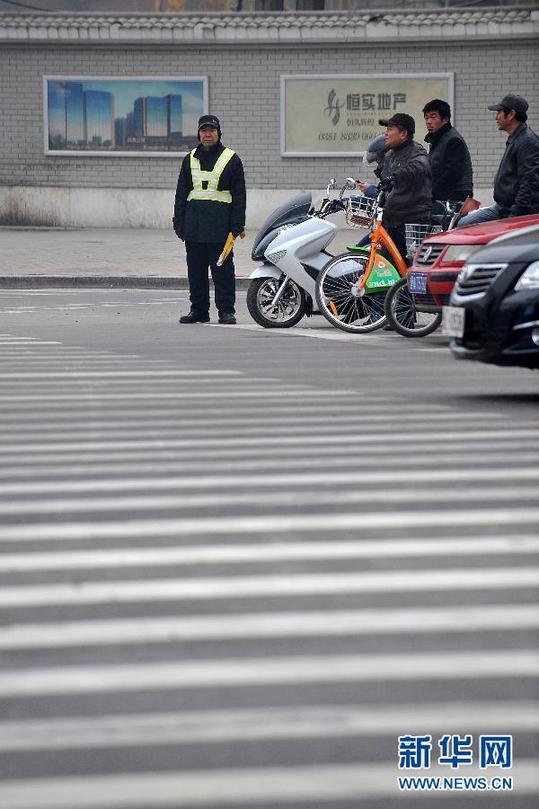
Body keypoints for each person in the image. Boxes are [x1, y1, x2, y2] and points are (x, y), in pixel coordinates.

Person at [173, 114, 246, 324]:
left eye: (212, 131)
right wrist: (179, 223)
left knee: (223, 273)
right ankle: (199, 311)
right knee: (196, 273)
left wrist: (237, 225)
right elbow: (181, 194)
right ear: (199, 134)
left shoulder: (232, 159)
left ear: (219, 133)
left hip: (220, 229)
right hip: (194, 227)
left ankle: (226, 311)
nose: (208, 135)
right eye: (204, 131)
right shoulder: (189, 159)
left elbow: (239, 196)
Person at [458, 94, 539, 228]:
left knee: (465, 225)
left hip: (512, 211)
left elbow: (529, 183)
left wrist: (514, 217)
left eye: (499, 112)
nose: (496, 117)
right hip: (501, 207)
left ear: (511, 114)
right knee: (462, 222)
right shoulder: (517, 138)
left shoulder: (527, 142)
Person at [377, 113, 432, 264]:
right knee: (385, 265)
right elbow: (387, 185)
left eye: (390, 129)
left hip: (413, 220)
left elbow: (420, 166)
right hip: (392, 220)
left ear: (403, 134)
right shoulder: (389, 155)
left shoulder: (417, 151)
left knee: (413, 267)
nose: (386, 134)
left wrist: (396, 176)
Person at [422, 98, 473, 203]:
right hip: (443, 196)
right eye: (426, 118)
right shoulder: (437, 139)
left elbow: (452, 173)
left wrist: (431, 192)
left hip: (455, 197)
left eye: (433, 117)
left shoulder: (453, 140)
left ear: (445, 119)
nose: (428, 122)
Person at [357, 134, 391, 198]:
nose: (378, 166)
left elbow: (389, 197)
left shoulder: (398, 177)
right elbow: (385, 190)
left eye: (379, 161)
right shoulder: (390, 177)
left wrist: (370, 190)